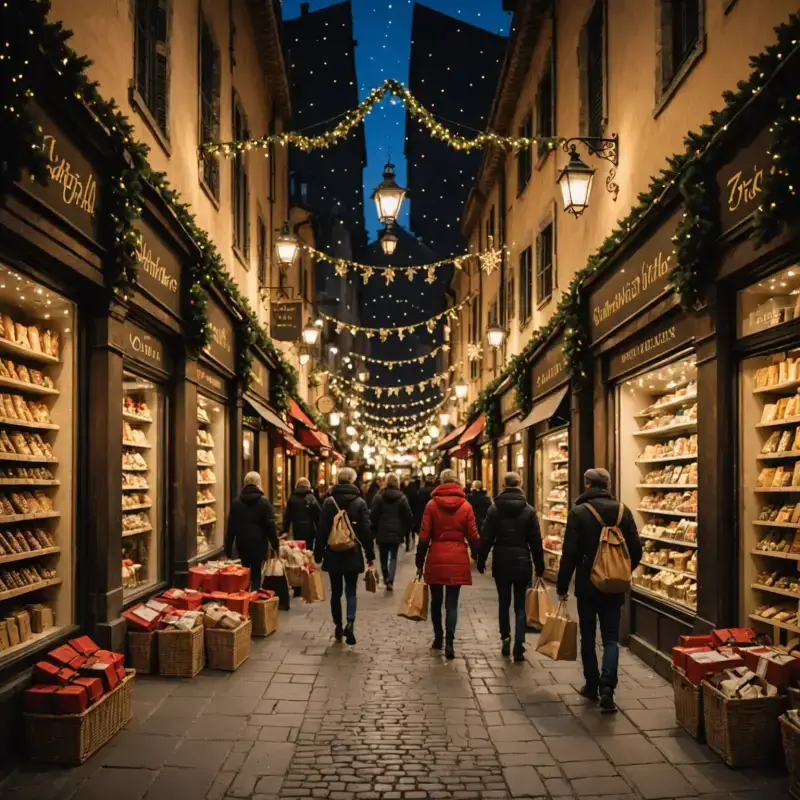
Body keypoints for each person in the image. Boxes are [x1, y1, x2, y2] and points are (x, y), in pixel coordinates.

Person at [557, 468, 642, 712]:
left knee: (587, 636)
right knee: (612, 638)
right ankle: (608, 689)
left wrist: (563, 584)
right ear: (607, 485)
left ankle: (591, 685)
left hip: (587, 585)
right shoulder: (623, 511)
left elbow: (569, 553)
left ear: (586, 485)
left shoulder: (578, 512)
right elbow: (636, 549)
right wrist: (621, 570)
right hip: (614, 586)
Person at [477, 472, 544, 661]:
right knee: (521, 604)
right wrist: (540, 566)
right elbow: (536, 541)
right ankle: (519, 644)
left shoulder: (494, 509)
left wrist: (481, 560)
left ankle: (505, 639)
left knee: (504, 602)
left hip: (502, 560)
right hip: (523, 560)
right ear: (520, 484)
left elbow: (487, 537)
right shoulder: (529, 510)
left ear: (503, 484)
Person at [416, 469, 480, 659]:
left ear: (440, 482)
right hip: (458, 558)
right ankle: (450, 643)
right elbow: (473, 534)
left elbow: (424, 535)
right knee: (452, 603)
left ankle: (438, 638)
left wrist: (419, 561)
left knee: (436, 602)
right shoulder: (466, 506)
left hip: (436, 557)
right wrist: (478, 554)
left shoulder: (431, 505)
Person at [315, 467, 375, 645]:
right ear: (352, 480)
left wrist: (318, 553)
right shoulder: (359, 502)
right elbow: (365, 530)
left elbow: (322, 530)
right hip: (352, 551)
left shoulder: (328, 502)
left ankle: (338, 626)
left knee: (335, 592)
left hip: (333, 552)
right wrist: (370, 554)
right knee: (350, 590)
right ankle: (350, 621)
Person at [225, 472, 280, 591]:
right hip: (258, 544)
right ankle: (254, 600)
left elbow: (231, 527)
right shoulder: (264, 503)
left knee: (243, 572)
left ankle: (243, 598)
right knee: (256, 573)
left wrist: (228, 549)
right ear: (258, 484)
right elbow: (270, 526)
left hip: (241, 544)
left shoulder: (236, 503)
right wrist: (275, 544)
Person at [370, 472, 413, 591]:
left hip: (382, 531)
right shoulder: (402, 498)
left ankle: (386, 576)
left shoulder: (378, 497)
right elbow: (408, 515)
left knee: (383, 557)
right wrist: (405, 530)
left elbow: (373, 515)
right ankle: (390, 580)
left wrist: (373, 529)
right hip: (396, 531)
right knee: (393, 556)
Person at [413, 474, 436, 540]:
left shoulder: (420, 492)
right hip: (435, 521)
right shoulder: (436, 491)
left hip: (423, 521)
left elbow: (417, 508)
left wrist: (416, 524)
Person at [403, 475, 421, 551]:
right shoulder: (417, 490)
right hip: (415, 510)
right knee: (413, 528)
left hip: (407, 510)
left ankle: (407, 544)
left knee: (407, 529)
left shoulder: (406, 489)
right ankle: (414, 540)